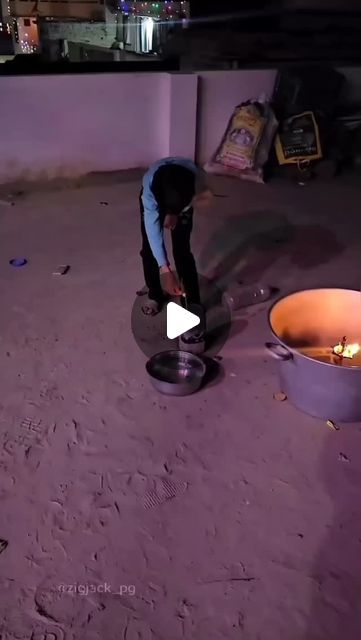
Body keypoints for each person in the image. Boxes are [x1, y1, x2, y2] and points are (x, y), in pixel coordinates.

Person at [139, 157, 212, 316]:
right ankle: (155, 295)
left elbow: (204, 199)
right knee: (149, 249)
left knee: (182, 249)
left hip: (185, 200)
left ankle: (192, 302)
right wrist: (166, 270)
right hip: (158, 196)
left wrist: (177, 213)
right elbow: (154, 233)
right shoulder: (150, 193)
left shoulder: (197, 181)